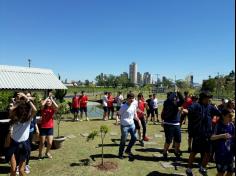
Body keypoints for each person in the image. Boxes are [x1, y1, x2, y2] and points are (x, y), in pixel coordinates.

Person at [185, 91, 221, 176]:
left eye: (209, 98)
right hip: (198, 134)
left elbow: (219, 113)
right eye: (207, 98)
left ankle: (202, 167)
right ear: (202, 98)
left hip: (208, 134)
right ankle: (189, 169)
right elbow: (189, 110)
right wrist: (184, 110)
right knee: (194, 152)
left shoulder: (210, 107)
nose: (208, 100)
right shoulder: (196, 105)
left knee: (208, 153)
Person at [5, 92, 37, 176]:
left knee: (21, 170)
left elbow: (35, 110)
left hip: (24, 145)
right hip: (13, 144)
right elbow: (11, 109)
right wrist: (17, 101)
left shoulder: (28, 119)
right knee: (13, 169)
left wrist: (26, 97)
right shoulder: (14, 116)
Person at [211, 109, 235, 176]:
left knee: (230, 172)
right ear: (223, 116)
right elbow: (212, 137)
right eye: (229, 116)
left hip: (229, 153)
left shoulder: (232, 125)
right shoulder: (218, 125)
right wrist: (222, 136)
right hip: (220, 154)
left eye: (232, 116)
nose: (231, 118)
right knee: (221, 172)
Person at [161, 91, 184, 160]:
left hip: (176, 124)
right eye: (175, 96)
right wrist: (176, 92)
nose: (175, 98)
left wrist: (179, 93)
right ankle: (165, 152)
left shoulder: (174, 102)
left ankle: (176, 151)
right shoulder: (167, 102)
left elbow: (182, 100)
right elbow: (179, 101)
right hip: (169, 124)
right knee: (168, 140)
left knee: (178, 139)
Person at [118, 93, 141, 159]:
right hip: (124, 126)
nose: (131, 99)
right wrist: (118, 120)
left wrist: (138, 120)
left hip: (132, 125)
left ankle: (127, 150)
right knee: (123, 140)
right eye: (130, 98)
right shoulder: (123, 106)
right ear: (127, 99)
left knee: (134, 138)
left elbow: (135, 115)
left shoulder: (133, 106)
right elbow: (118, 114)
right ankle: (120, 154)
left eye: (132, 98)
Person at [38, 94, 58, 160]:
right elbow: (42, 105)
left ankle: (47, 153)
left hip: (50, 128)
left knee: (50, 143)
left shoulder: (52, 110)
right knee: (42, 143)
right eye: (47, 102)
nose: (48, 102)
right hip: (43, 128)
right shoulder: (43, 109)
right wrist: (47, 98)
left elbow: (57, 106)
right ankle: (40, 154)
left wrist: (51, 99)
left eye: (49, 102)